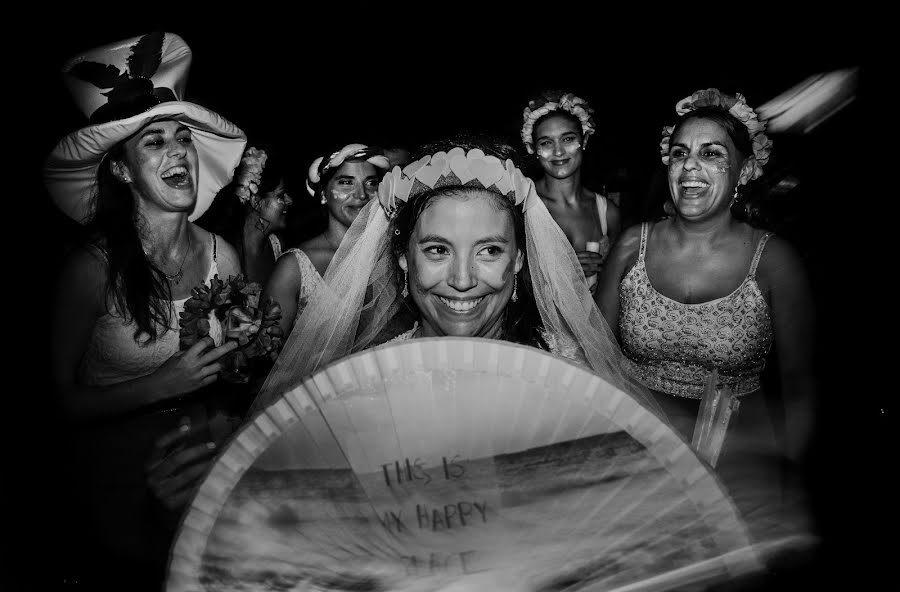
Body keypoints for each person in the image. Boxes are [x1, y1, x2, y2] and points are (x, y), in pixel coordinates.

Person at [249, 135, 663, 421]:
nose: (462, 279)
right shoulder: (366, 386)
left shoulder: (570, 376)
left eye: (489, 251)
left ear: (518, 260)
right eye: (437, 250)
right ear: (404, 260)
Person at [44, 32, 247, 590]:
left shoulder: (220, 255)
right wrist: (161, 384)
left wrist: (238, 362)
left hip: (197, 465)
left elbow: (227, 369)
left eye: (182, 138)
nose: (178, 151)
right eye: (154, 143)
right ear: (123, 171)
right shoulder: (91, 270)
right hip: (112, 476)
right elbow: (57, 404)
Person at [595, 89, 815, 491]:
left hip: (737, 466)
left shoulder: (774, 261)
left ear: (745, 170)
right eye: (680, 153)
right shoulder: (630, 247)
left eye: (711, 154)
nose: (690, 166)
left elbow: (801, 393)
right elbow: (595, 360)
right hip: (639, 457)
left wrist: (780, 477)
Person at [261, 143, 390, 337]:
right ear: (323, 194)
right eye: (346, 182)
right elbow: (265, 354)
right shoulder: (294, 268)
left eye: (371, 183)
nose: (362, 194)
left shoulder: (392, 254)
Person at [521, 90, 621, 292]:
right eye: (546, 143)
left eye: (567, 139)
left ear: (583, 141)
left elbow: (618, 282)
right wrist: (562, 272)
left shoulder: (606, 212)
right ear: (533, 148)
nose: (558, 152)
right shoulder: (522, 205)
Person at [197, 144, 294, 284]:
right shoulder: (221, 252)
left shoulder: (277, 246)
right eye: (281, 195)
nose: (289, 200)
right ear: (256, 202)